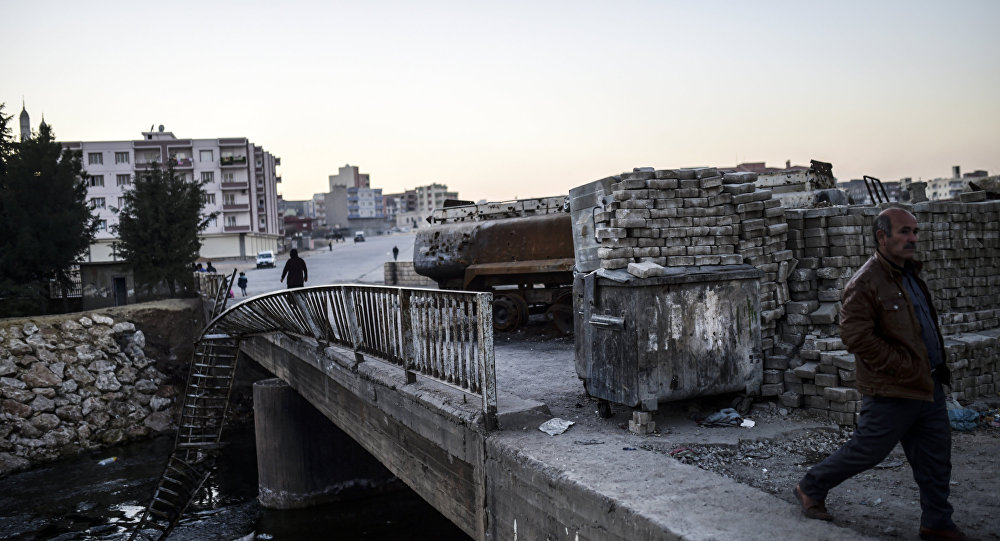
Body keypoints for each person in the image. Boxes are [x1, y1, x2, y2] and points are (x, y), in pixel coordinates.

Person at [793, 208, 978, 541]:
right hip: (893, 390)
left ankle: (936, 523)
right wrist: (903, 367)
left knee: (936, 459)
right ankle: (810, 486)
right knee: (868, 451)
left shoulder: (909, 275)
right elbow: (856, 337)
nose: (912, 239)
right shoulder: (865, 283)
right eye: (905, 232)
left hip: (929, 386)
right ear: (882, 237)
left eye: (915, 232)